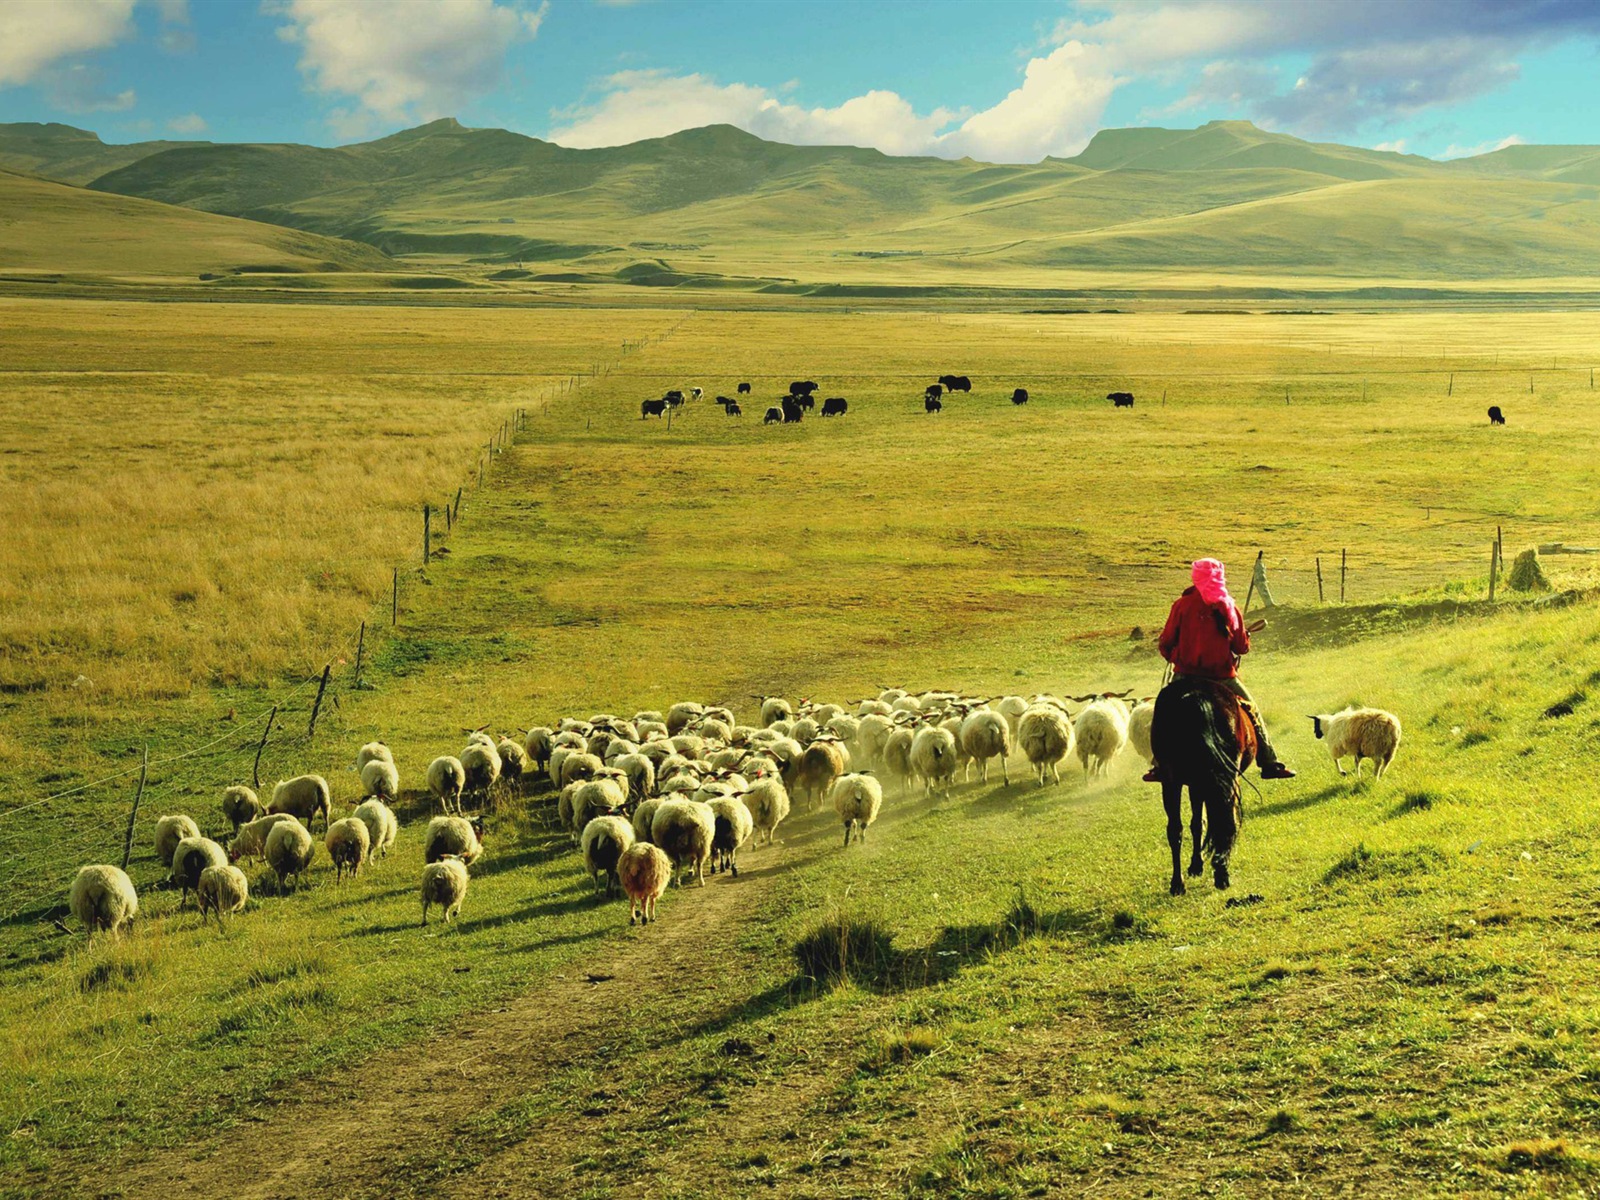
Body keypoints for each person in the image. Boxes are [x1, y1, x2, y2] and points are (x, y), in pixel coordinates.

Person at [1143, 558, 1295, 782]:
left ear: (1195, 577)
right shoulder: (1228, 606)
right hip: (1221, 677)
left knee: (1164, 712)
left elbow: (1165, 643)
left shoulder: (1181, 605)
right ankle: (1269, 762)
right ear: (1220, 577)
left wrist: (1178, 656)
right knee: (1252, 711)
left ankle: (1159, 763)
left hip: (1185, 676)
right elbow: (1241, 647)